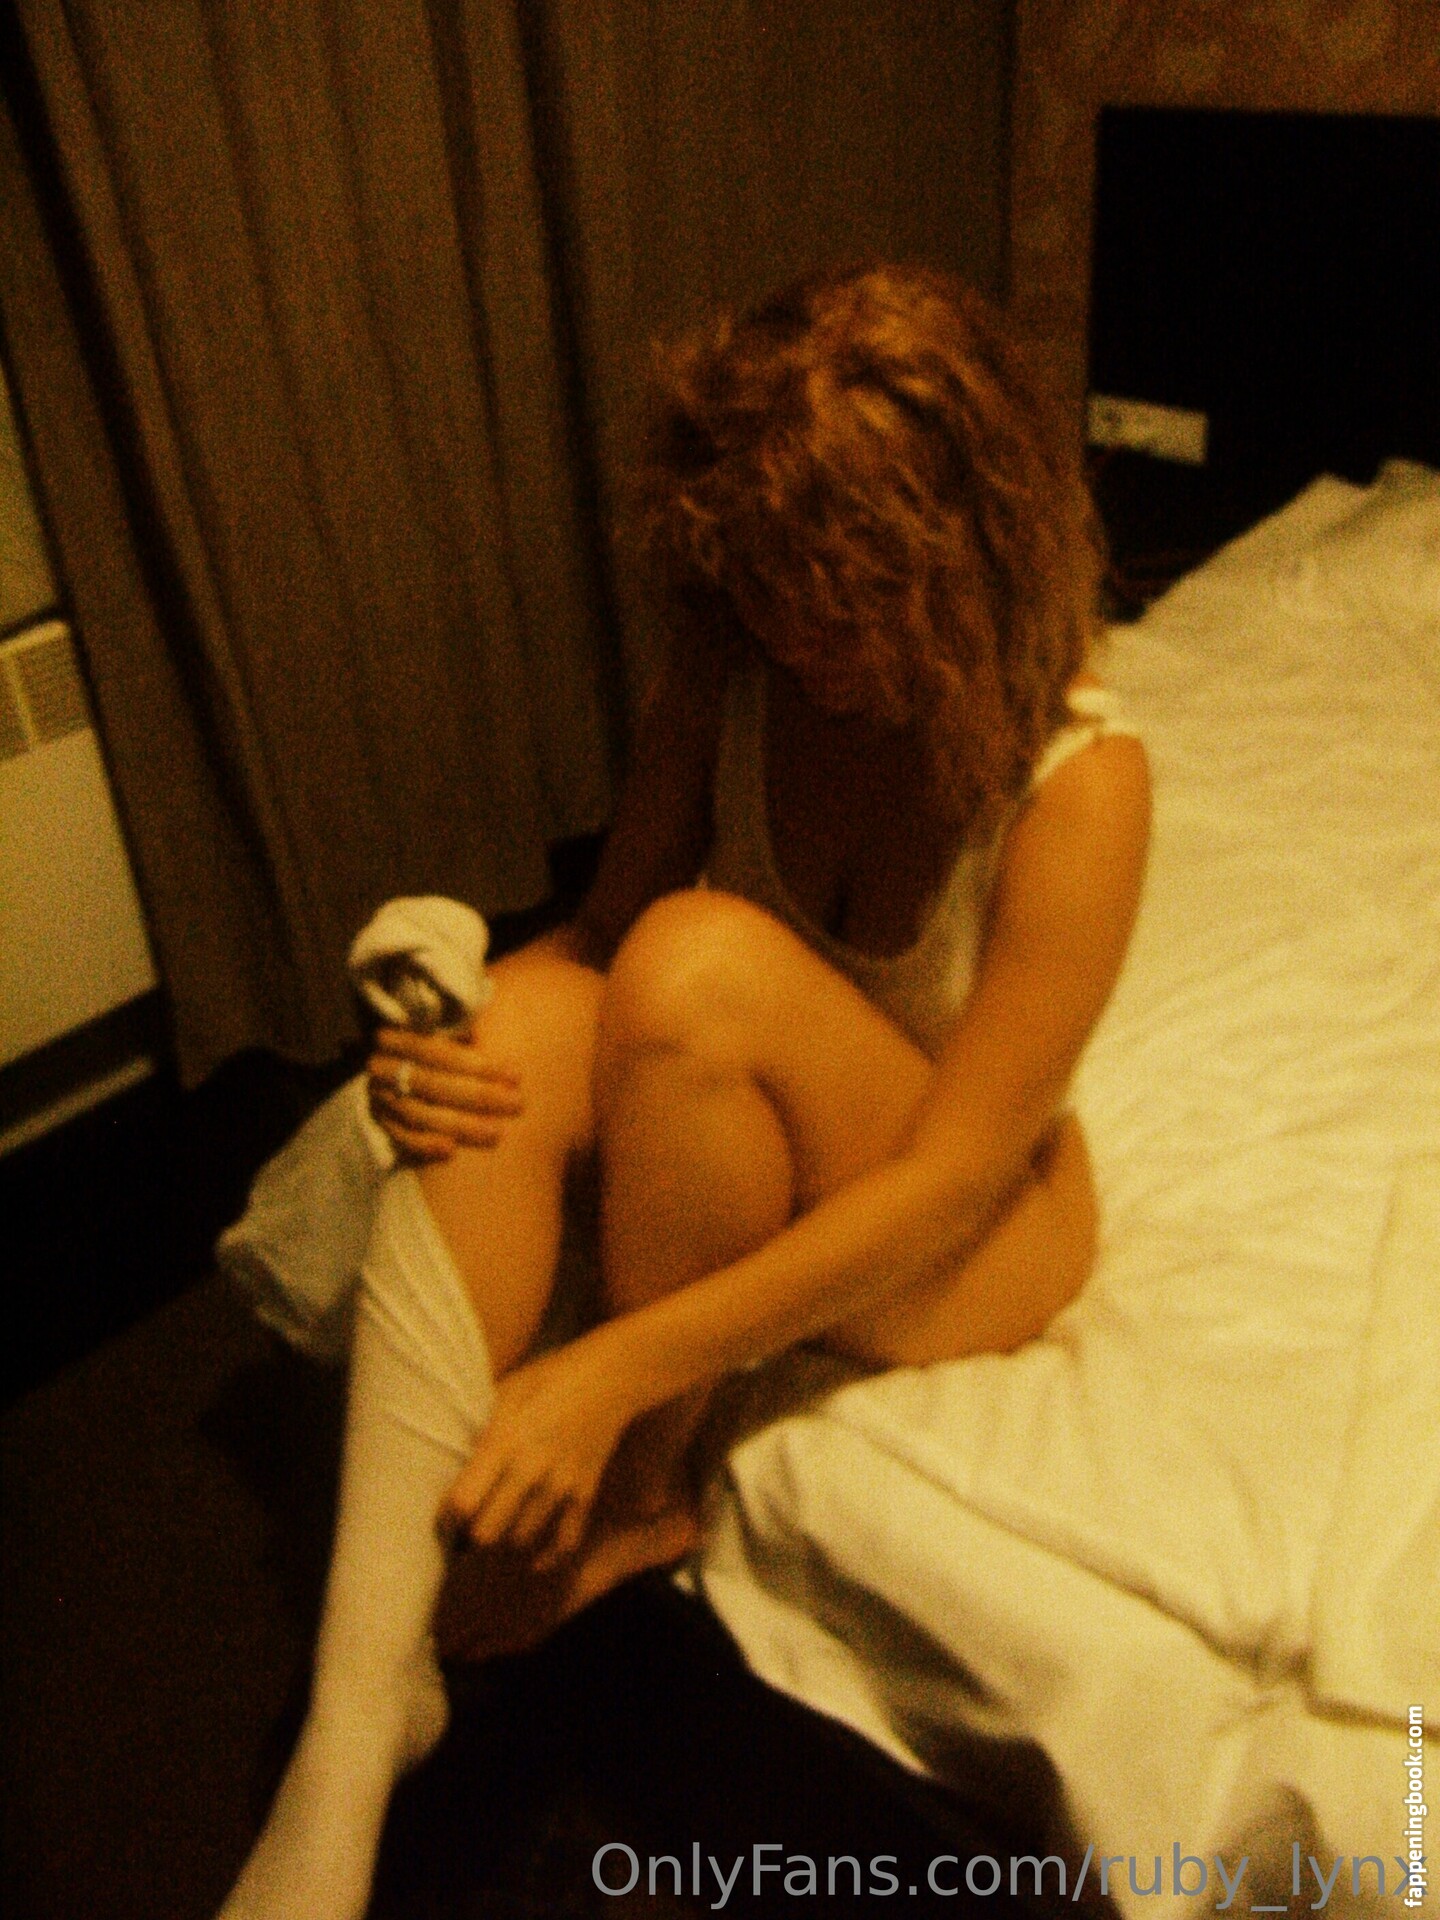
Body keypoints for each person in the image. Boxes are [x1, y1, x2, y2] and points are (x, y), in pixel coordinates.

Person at [216, 262, 1150, 1920]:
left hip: (980, 1224)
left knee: (696, 963)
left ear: (971, 551)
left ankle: (647, 1501)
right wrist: (444, 1035)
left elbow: (952, 1177)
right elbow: (593, 938)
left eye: (849, 598)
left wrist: (610, 1371)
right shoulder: (740, 669)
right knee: (527, 1015)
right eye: (770, 587)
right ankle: (357, 1729)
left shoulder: (1084, 783)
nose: (800, 634)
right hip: (792, 1125)